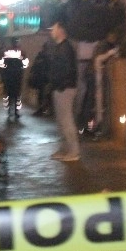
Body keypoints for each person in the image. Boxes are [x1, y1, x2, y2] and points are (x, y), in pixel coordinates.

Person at [46, 20, 80, 161]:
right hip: (61, 87)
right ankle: (65, 149)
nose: (51, 32)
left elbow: (66, 70)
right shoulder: (62, 47)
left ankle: (73, 152)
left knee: (66, 120)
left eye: (53, 29)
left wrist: (59, 85)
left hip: (64, 88)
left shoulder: (65, 48)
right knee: (61, 121)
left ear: (60, 30)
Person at [0, 37, 28, 121]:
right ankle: (15, 112)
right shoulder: (20, 52)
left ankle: (9, 111)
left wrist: (3, 74)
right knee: (16, 95)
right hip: (17, 76)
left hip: (8, 76)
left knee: (9, 94)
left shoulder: (6, 51)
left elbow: (2, 63)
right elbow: (24, 62)